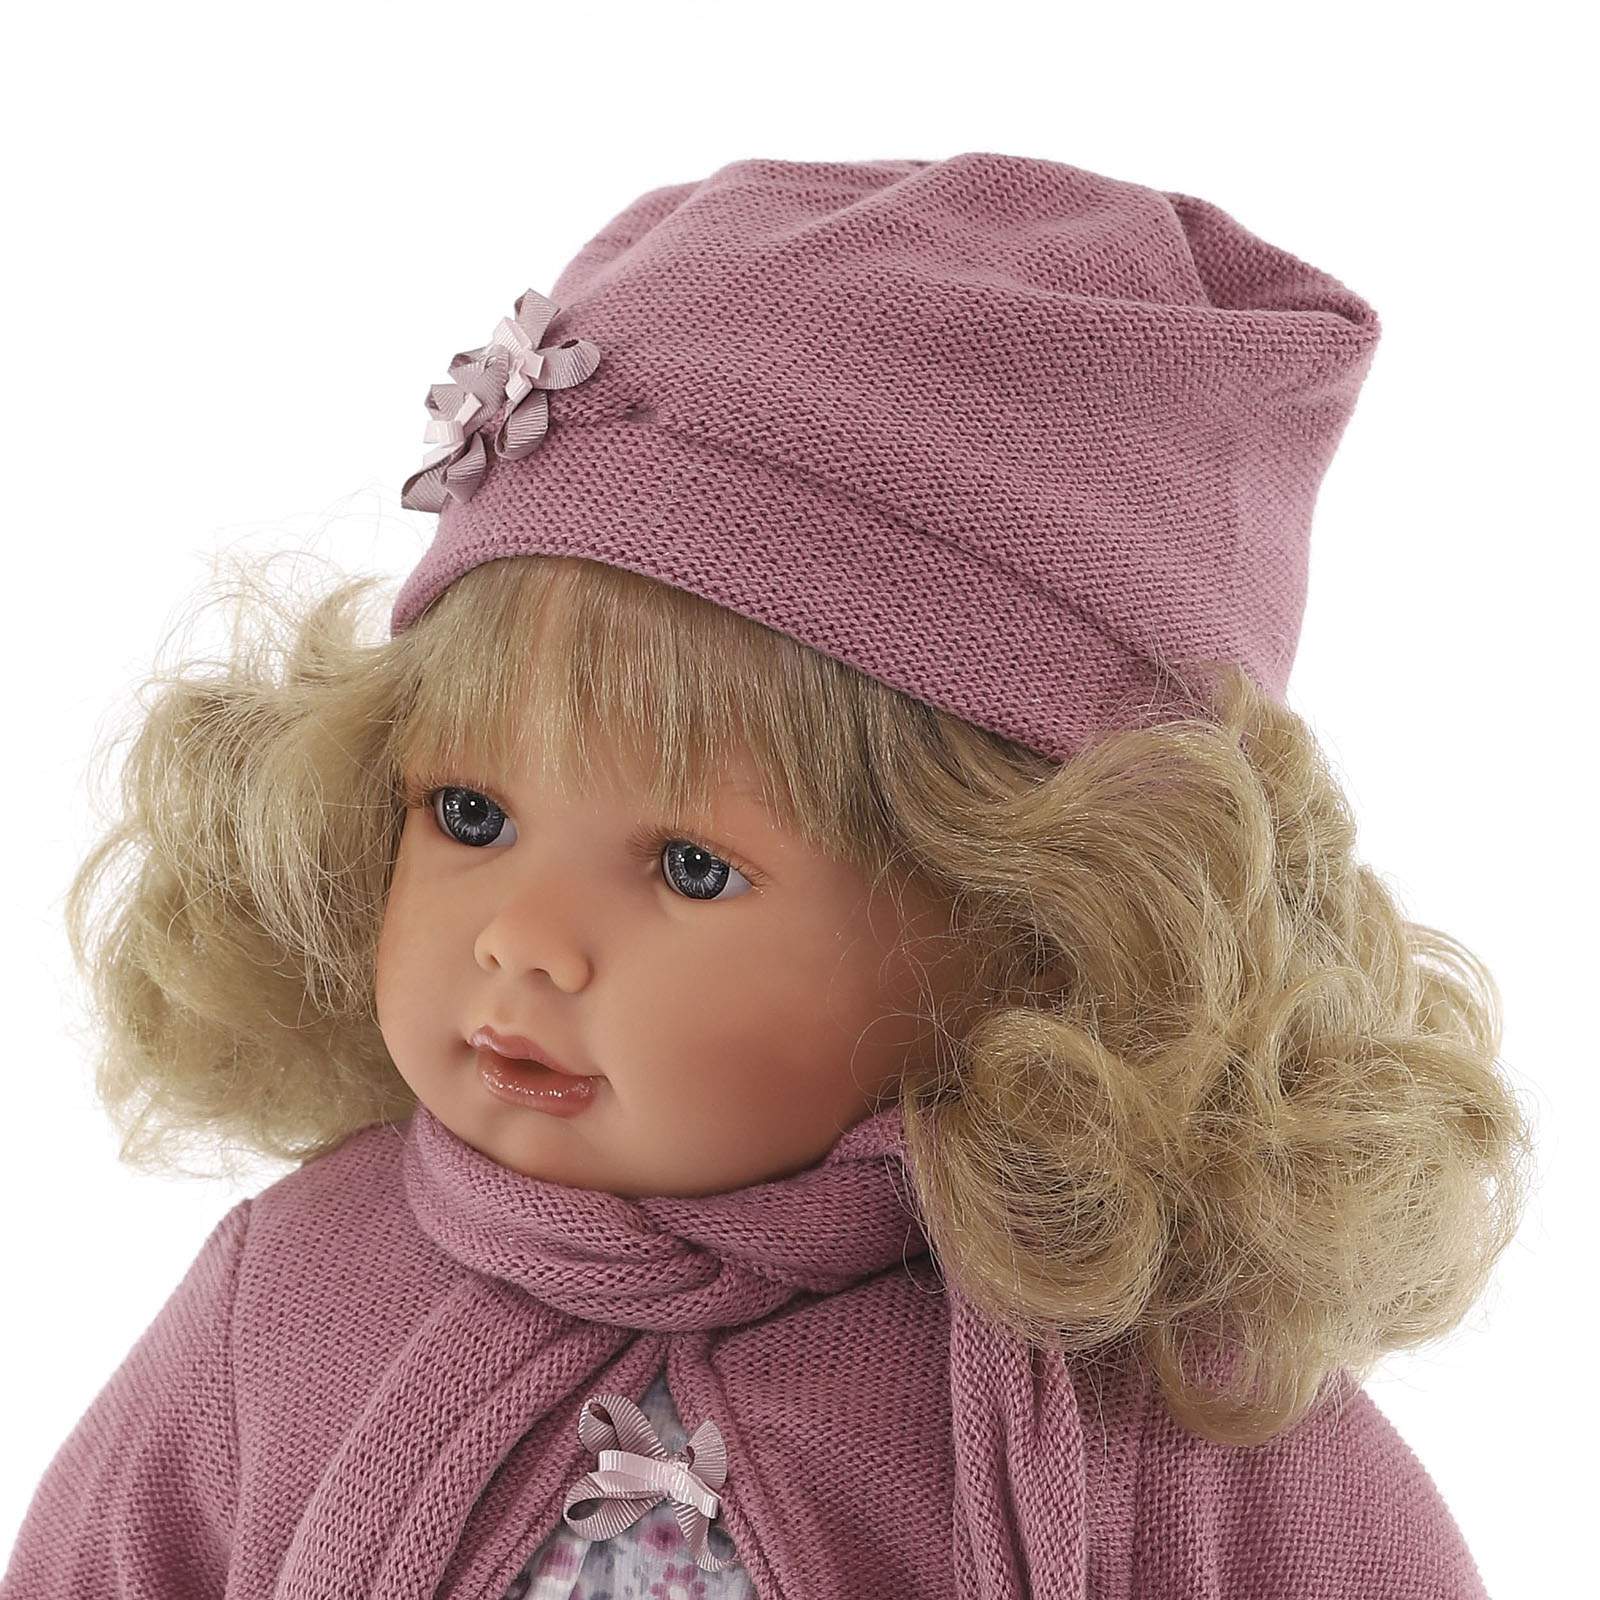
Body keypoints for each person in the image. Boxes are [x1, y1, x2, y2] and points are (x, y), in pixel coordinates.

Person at [2, 151, 1535, 1599]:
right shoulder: (297, 1297)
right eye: (468, 815)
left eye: (690, 866)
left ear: (1032, 929)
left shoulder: (1146, 1410)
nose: (524, 939)